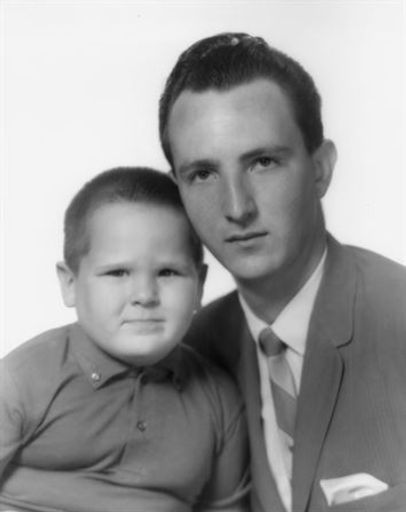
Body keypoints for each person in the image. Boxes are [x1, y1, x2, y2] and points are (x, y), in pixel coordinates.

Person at [159, 32, 406, 512]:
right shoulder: (180, 357)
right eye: (203, 174)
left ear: (321, 169)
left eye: (263, 162)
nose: (237, 208)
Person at [0, 167, 250, 512]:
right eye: (117, 272)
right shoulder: (22, 380)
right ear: (70, 283)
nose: (145, 295)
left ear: (199, 285)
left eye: (168, 272)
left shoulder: (218, 400)